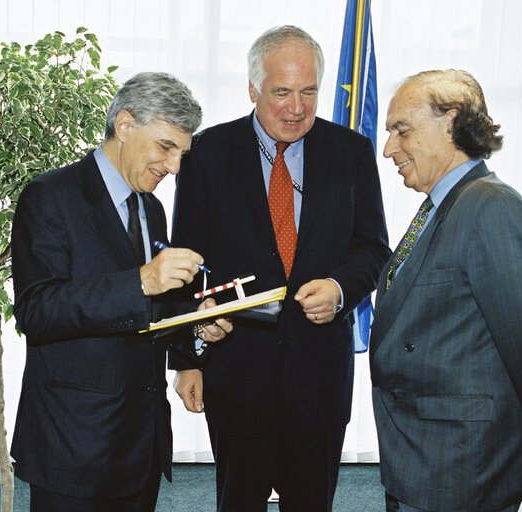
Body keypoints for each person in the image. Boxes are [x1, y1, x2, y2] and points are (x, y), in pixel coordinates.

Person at [169, 26, 391, 511]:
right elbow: (184, 261)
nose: (297, 107)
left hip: (320, 376)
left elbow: (373, 249)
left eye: (308, 91)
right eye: (282, 92)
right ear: (253, 90)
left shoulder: (351, 152)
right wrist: (186, 357)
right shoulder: (206, 153)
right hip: (236, 372)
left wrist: (339, 288)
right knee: (238, 501)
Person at [10, 71, 232, 512]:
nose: (173, 167)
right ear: (125, 125)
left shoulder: (151, 207)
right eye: (166, 147)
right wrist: (141, 281)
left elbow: (151, 310)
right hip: (73, 446)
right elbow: (37, 311)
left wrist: (196, 325)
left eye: (181, 154)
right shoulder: (49, 196)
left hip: (140, 444)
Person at [371, 69, 522, 512]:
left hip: (461, 467)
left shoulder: (493, 207)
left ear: (450, 122)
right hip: (425, 456)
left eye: (400, 131)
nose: (388, 149)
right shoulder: (445, 206)